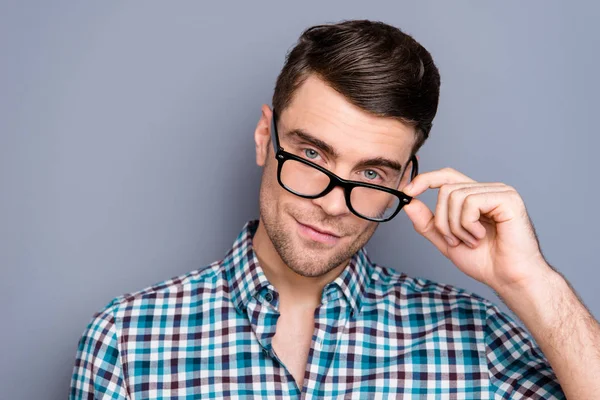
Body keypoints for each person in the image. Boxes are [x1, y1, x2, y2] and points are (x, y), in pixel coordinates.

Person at [70, 20, 599, 399]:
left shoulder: (477, 339)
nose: (329, 204)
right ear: (264, 137)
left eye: (371, 174)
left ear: (406, 182)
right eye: (310, 154)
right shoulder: (128, 339)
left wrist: (532, 284)